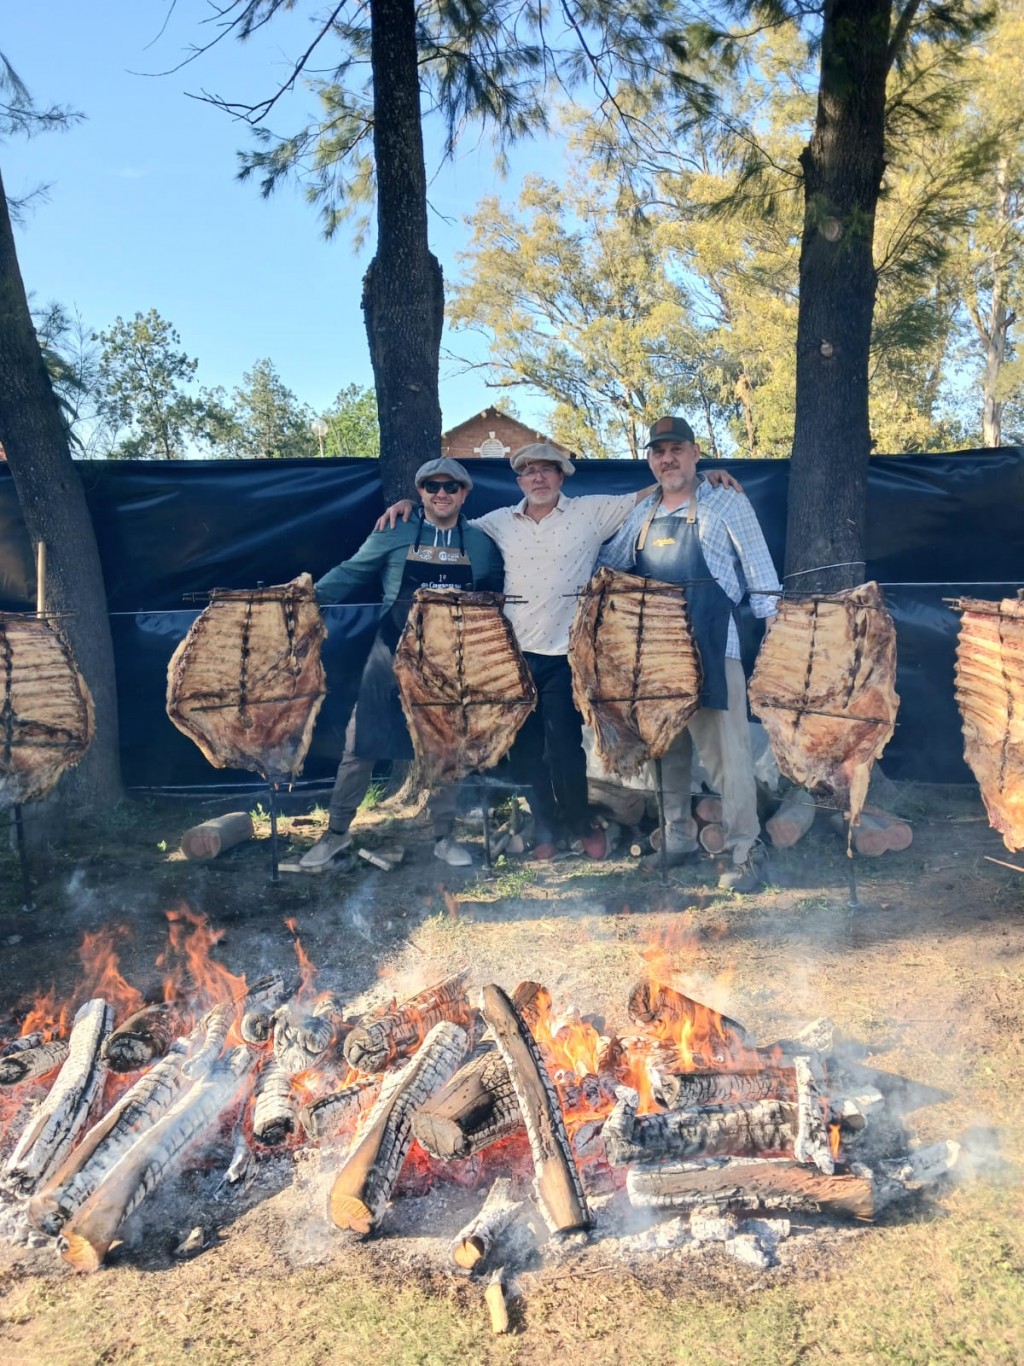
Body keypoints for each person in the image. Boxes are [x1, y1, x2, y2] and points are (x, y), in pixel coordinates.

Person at [378, 441, 742, 861]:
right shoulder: (498, 522)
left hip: (567, 655)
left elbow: (653, 492)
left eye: (547, 470)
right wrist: (408, 502)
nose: (538, 478)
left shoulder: (590, 511)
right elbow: (447, 516)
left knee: (565, 747)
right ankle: (547, 830)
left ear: (562, 476)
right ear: (519, 480)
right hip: (513, 658)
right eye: (530, 472)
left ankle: (579, 824)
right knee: (529, 751)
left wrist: (705, 477)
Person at [596, 416, 782, 893]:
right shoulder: (642, 513)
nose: (668, 458)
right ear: (651, 461)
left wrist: (776, 632)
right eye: (658, 452)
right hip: (654, 657)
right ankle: (676, 838)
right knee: (665, 752)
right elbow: (610, 565)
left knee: (728, 757)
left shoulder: (726, 503)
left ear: (696, 454)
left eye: (676, 449)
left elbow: (761, 574)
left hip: (714, 648)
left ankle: (744, 849)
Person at [301, 457, 504, 870]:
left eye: (451, 487)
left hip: (450, 663)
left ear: (464, 494)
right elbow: (350, 571)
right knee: (360, 747)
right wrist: (302, 601)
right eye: (432, 487)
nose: (442, 494)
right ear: (421, 493)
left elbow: (496, 594)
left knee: (446, 749)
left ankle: (444, 838)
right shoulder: (396, 531)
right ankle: (336, 834)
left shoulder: (481, 542)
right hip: (390, 655)